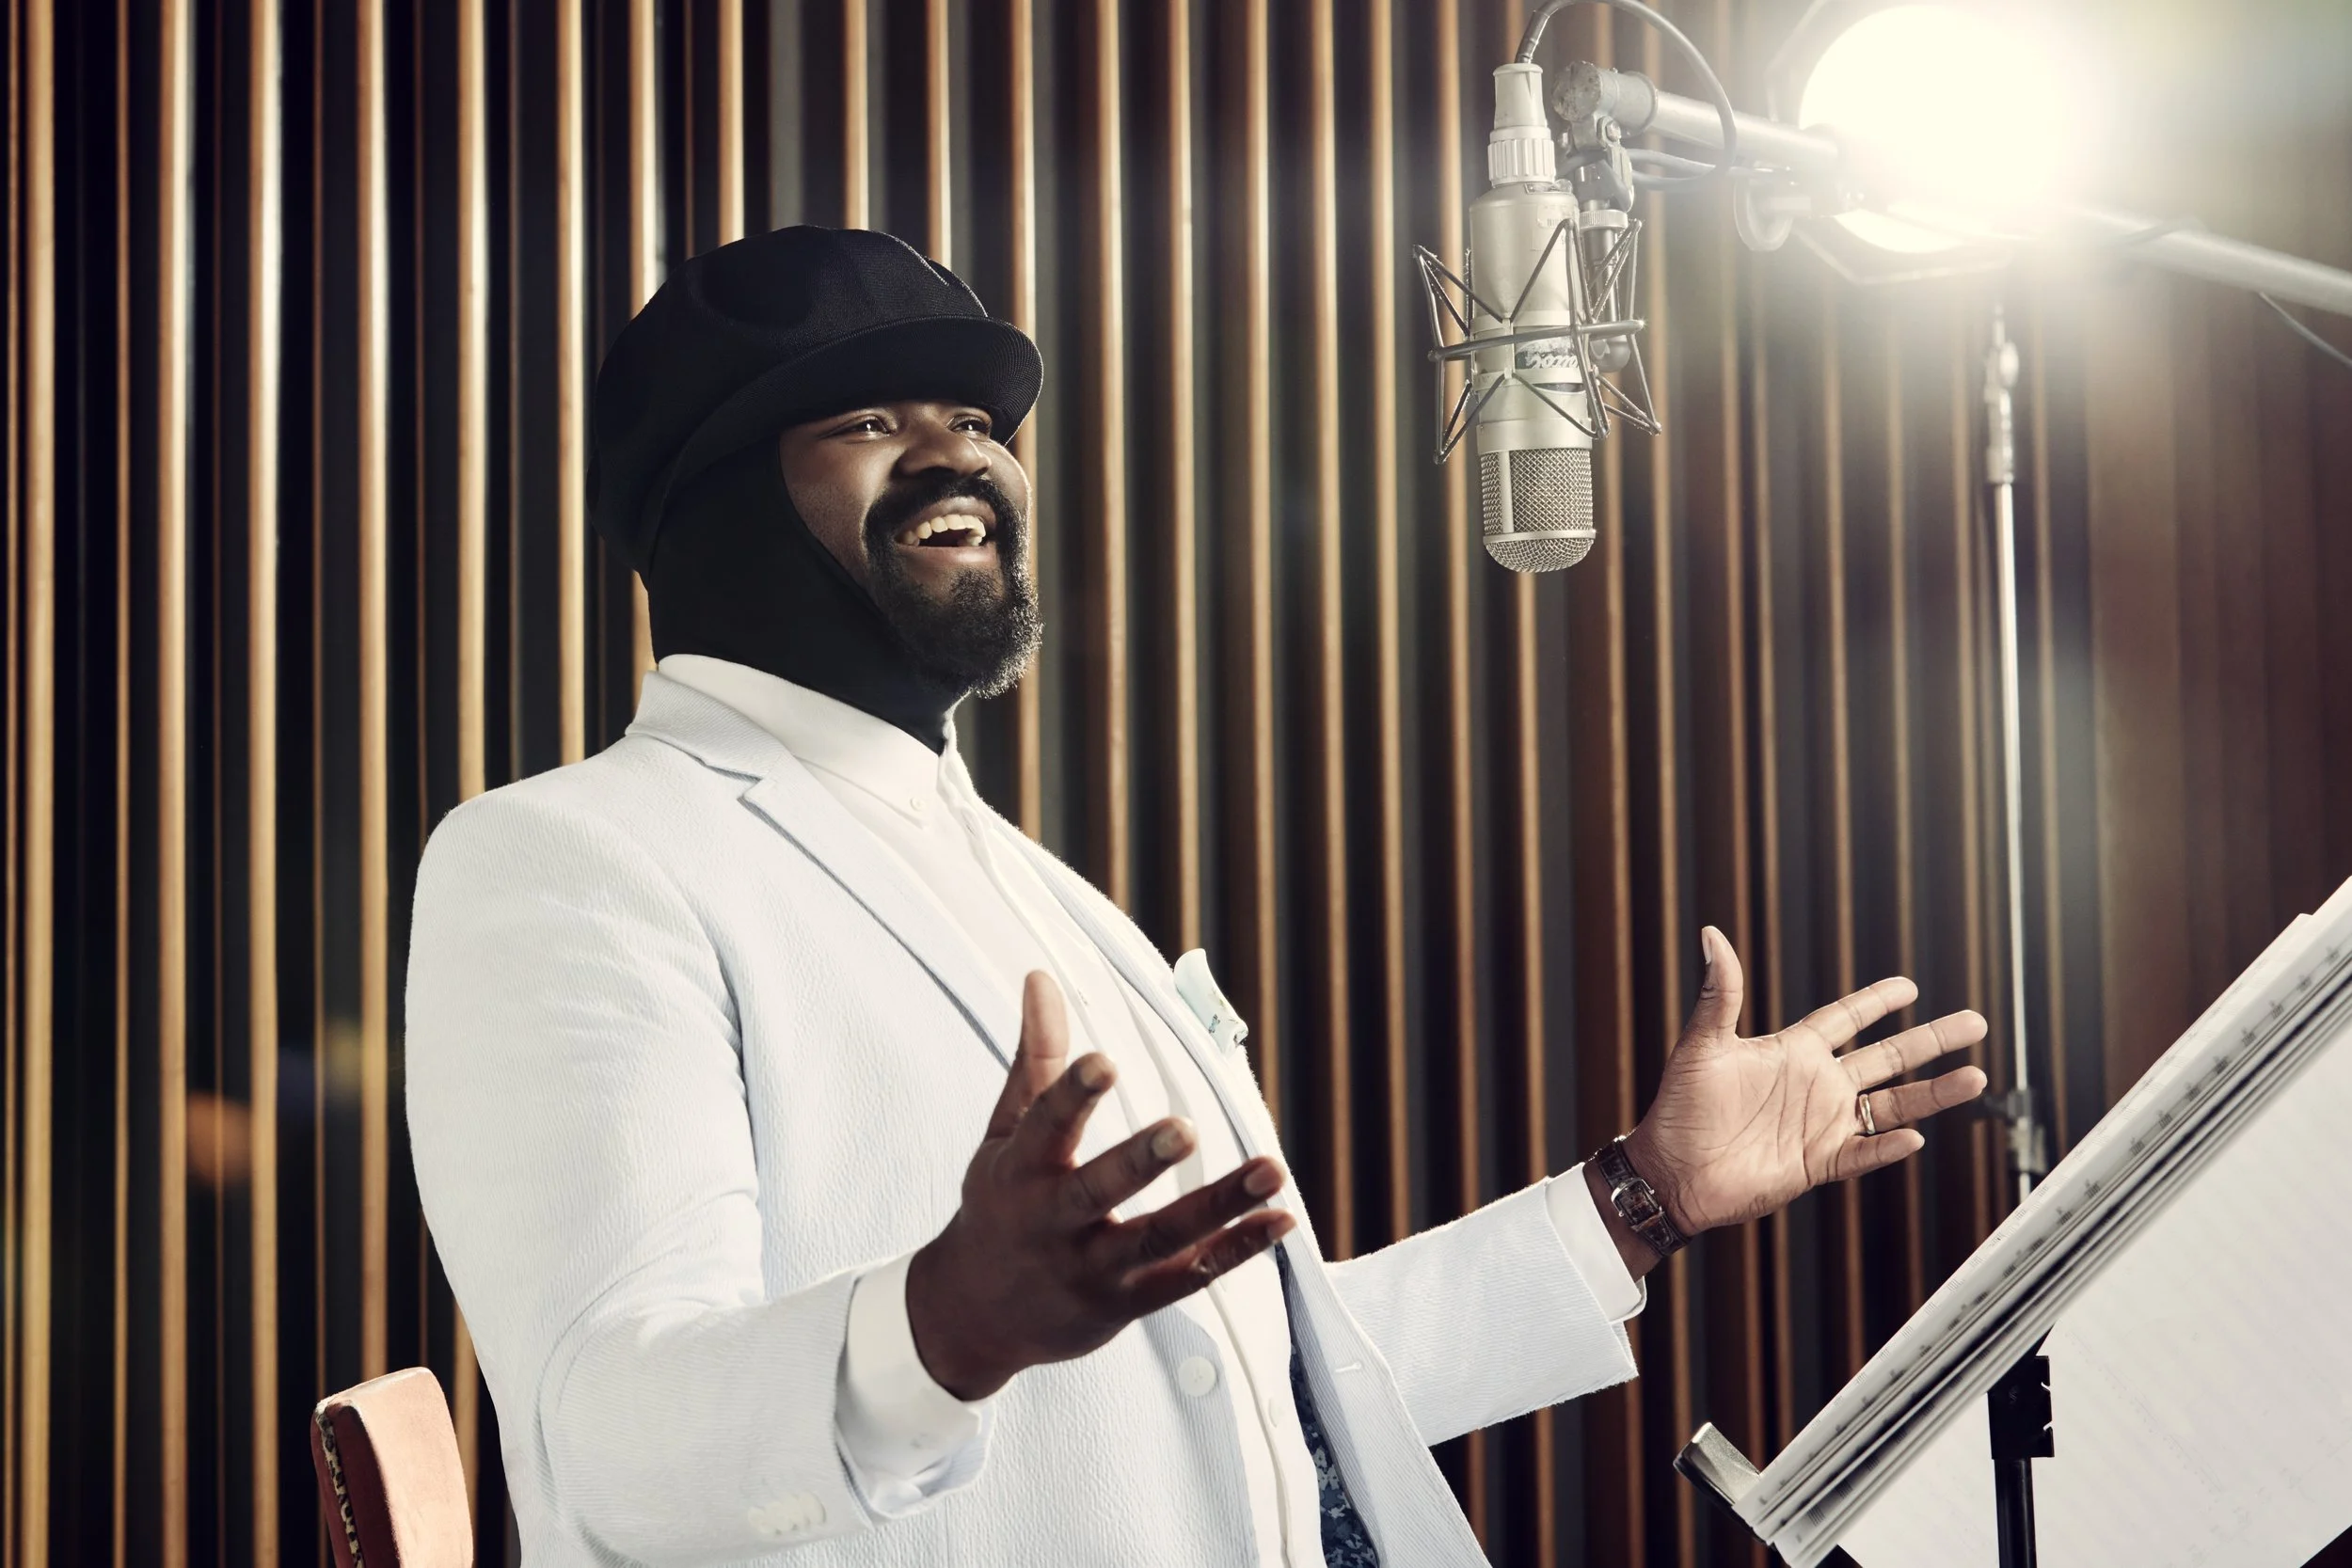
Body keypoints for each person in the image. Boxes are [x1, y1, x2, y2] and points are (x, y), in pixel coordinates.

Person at [405, 226, 1987, 1567]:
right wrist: (940, 1325)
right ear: (709, 502)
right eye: (872, 418)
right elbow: (606, 1445)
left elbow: (1251, 1380)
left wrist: (1641, 1196)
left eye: (975, 417)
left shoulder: (1036, 884)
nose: (960, 453)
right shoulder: (571, 859)